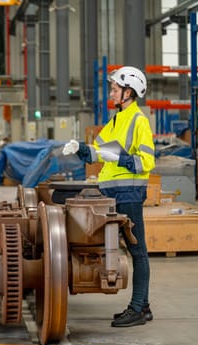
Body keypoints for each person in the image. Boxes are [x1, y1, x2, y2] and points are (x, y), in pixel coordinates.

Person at [63, 66, 155, 327]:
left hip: (129, 193)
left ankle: (138, 308)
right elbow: (98, 153)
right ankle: (143, 306)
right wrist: (80, 148)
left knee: (138, 251)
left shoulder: (139, 121)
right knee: (131, 249)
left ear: (129, 92)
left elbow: (146, 162)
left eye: (115, 88)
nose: (111, 92)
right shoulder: (116, 120)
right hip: (112, 193)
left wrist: (119, 157)